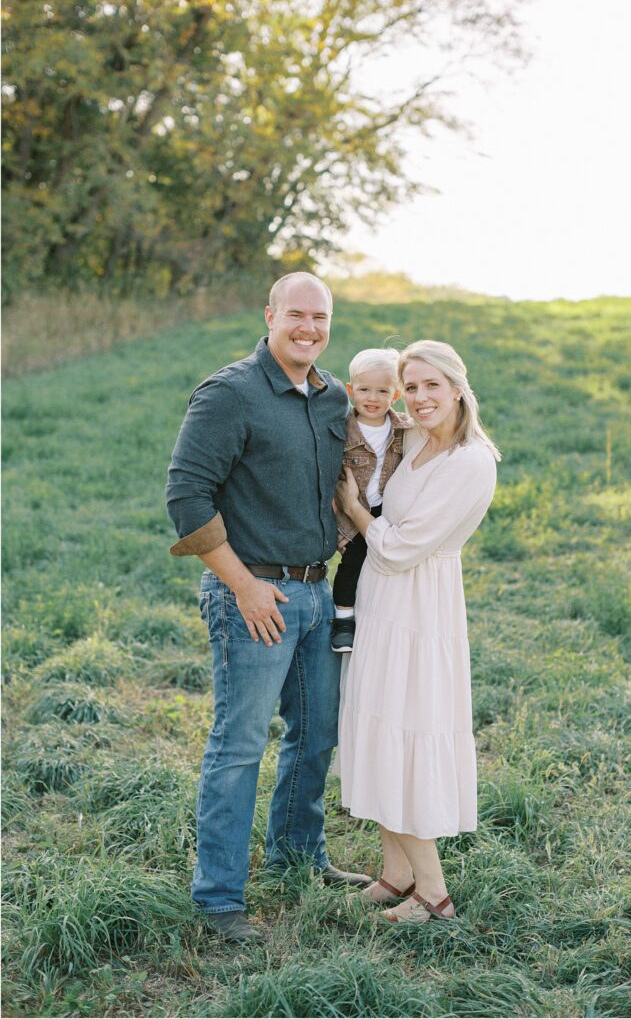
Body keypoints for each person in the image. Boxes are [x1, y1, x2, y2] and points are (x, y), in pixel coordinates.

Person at [166, 272, 371, 943]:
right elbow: (187, 496)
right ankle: (218, 898)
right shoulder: (230, 394)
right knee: (239, 746)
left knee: (316, 737)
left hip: (317, 591)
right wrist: (241, 586)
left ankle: (296, 854)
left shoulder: (332, 395)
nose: (308, 328)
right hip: (253, 596)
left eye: (320, 317)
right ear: (269, 316)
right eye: (296, 316)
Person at [335, 339, 499, 924]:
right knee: (374, 723)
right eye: (413, 386)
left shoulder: (471, 461)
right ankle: (396, 871)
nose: (421, 397)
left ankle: (434, 894)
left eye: (434, 384)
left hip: (420, 605)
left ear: (458, 387)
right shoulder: (417, 441)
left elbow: (401, 547)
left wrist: (355, 511)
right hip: (381, 600)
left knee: (405, 731)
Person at [331, 347, 413, 652]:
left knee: (382, 562)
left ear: (395, 395)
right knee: (352, 561)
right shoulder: (341, 429)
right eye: (364, 389)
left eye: (382, 391)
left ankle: (379, 617)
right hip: (352, 508)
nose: (372, 398)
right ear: (351, 390)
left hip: (385, 507)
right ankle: (343, 619)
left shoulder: (403, 428)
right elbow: (327, 466)